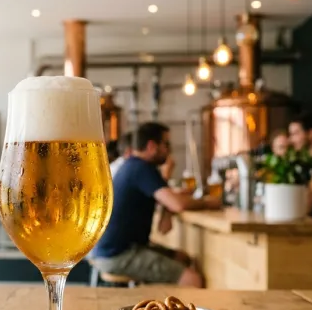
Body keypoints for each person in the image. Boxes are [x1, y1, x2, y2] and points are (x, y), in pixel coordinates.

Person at [90, 122, 221, 287]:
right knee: (192, 279)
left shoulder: (132, 165)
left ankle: (165, 307)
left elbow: (168, 202)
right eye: (166, 144)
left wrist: (171, 204)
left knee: (183, 258)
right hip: (117, 254)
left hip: (110, 250)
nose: (169, 150)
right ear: (152, 146)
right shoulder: (142, 168)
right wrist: (208, 203)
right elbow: (177, 204)